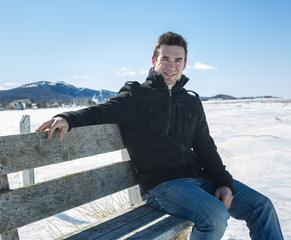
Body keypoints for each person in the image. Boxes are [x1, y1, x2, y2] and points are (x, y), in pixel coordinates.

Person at [36, 32, 284, 239]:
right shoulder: (135, 96)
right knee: (215, 216)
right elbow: (98, 112)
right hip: (162, 186)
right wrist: (68, 117)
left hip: (199, 178)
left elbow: (206, 147)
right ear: (154, 60)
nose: (171, 65)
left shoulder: (191, 102)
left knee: (262, 207)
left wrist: (223, 182)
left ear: (184, 64)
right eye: (165, 58)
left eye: (178, 60)